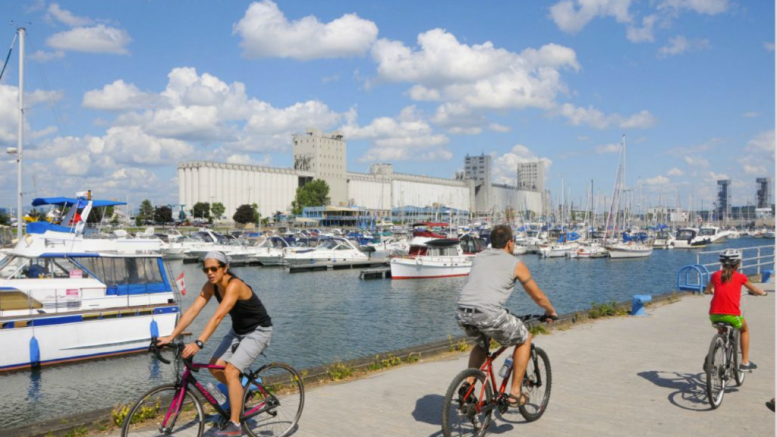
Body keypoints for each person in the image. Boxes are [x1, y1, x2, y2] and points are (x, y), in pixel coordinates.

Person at [158, 251, 273, 437]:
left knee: (231, 371)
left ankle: (235, 425)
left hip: (258, 331)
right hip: (238, 331)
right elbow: (193, 310)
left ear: (225, 268)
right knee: (215, 367)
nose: (209, 272)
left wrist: (198, 343)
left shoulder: (234, 285)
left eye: (214, 268)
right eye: (206, 269)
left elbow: (218, 317)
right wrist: (171, 336)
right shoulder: (211, 286)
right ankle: (241, 394)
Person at [456, 225, 557, 407]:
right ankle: (515, 393)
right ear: (510, 243)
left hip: (463, 311)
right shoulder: (515, 264)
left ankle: (468, 385)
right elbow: (537, 296)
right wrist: (550, 311)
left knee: (482, 343)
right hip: (488, 313)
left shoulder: (480, 257)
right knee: (524, 338)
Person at [704, 249, 766, 371]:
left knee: (721, 332)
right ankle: (745, 362)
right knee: (744, 329)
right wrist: (763, 293)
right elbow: (754, 289)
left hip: (714, 315)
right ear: (738, 264)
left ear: (722, 264)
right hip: (732, 315)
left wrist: (711, 292)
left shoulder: (715, 275)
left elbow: (708, 289)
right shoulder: (740, 277)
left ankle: (710, 360)